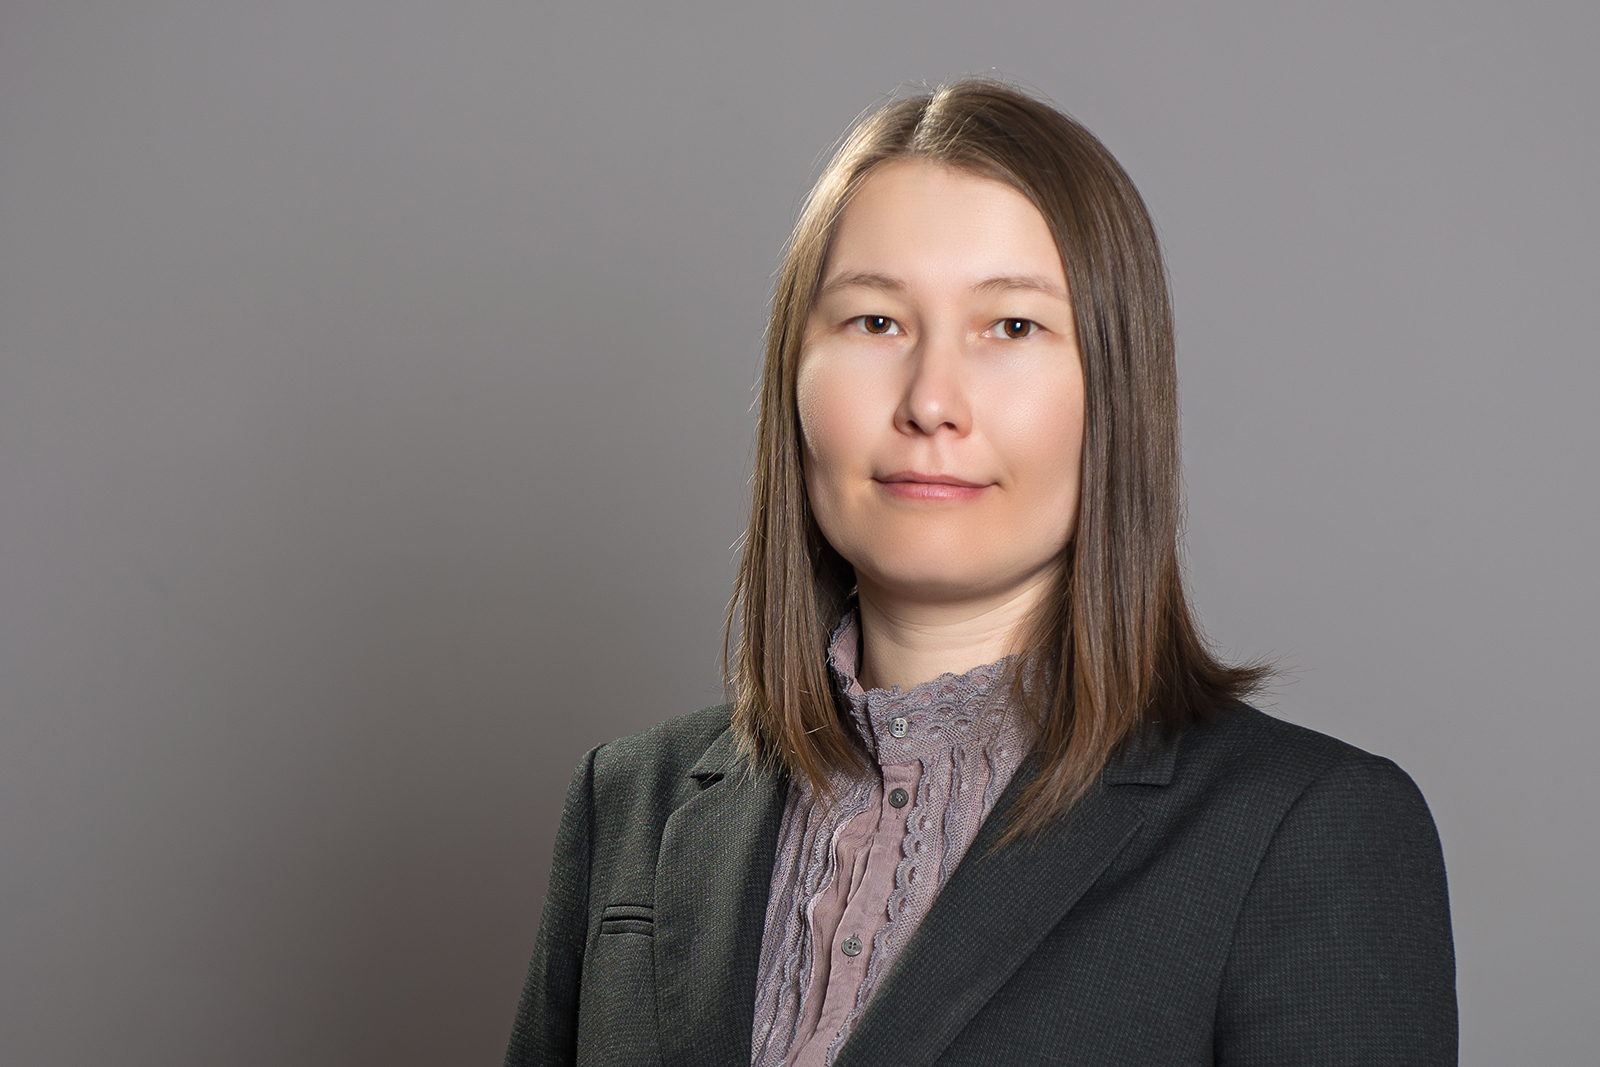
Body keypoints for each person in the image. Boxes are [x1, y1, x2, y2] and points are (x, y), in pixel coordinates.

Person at [505, 79, 1456, 1067]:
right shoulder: (629, 802)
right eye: (875, 322)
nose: (931, 401)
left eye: (1011, 327)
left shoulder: (1307, 831)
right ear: (792, 375)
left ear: (1115, 392)